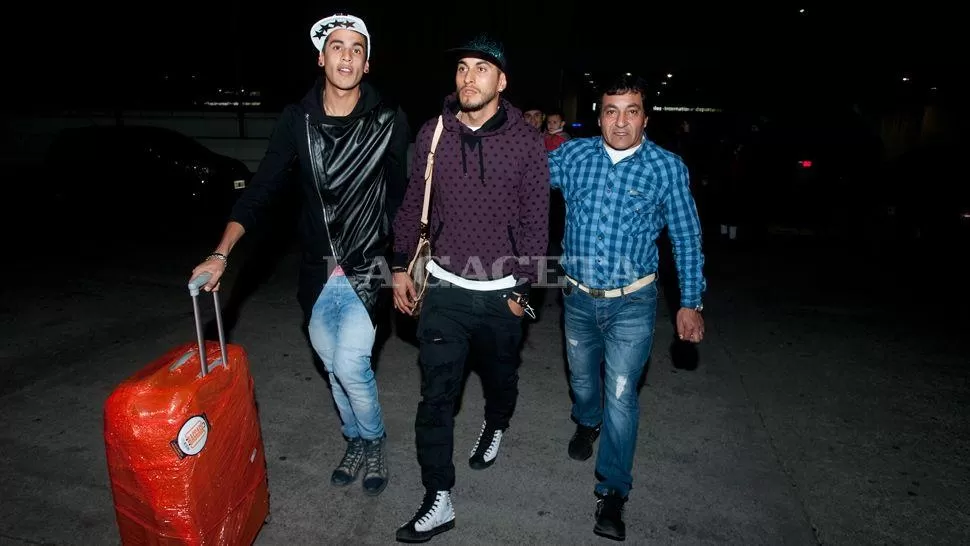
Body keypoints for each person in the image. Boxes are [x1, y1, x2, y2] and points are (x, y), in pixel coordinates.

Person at [189, 12, 410, 497]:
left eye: (356, 48)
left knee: (351, 363)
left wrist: (402, 263)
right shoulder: (297, 120)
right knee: (331, 364)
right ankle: (353, 439)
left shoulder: (388, 118)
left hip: (368, 264)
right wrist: (221, 253)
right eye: (337, 46)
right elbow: (263, 187)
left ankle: (373, 442)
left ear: (366, 64)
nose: (346, 55)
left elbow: (404, 195)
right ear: (321, 57)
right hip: (316, 269)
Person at [390, 34, 549, 543]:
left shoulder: (526, 142)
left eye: (481, 69)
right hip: (444, 290)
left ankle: (497, 421)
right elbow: (414, 202)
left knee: (501, 377)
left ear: (501, 82)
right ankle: (439, 498)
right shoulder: (433, 132)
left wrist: (523, 291)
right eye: (462, 68)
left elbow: (536, 221)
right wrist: (398, 267)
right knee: (435, 397)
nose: (468, 78)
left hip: (503, 291)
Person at [547, 74, 706, 541]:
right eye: (611, 111)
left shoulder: (666, 168)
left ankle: (613, 490)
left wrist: (690, 302)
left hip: (632, 302)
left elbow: (686, 237)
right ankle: (586, 420)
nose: (620, 121)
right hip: (576, 297)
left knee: (621, 392)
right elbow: (521, 179)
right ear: (599, 117)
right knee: (581, 378)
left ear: (645, 118)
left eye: (631, 111)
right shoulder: (573, 156)